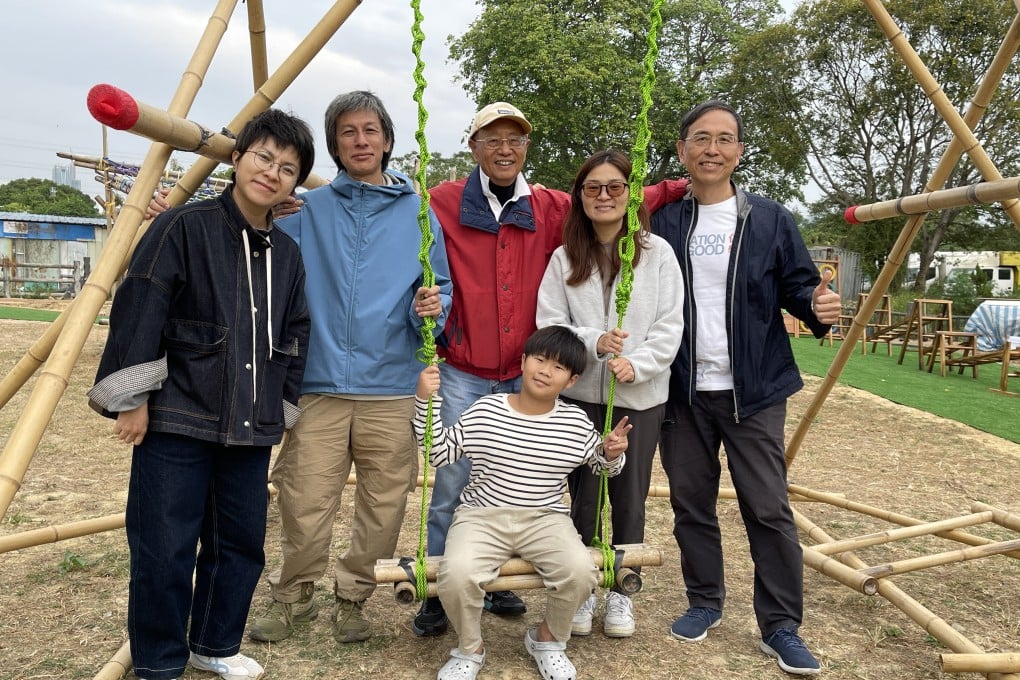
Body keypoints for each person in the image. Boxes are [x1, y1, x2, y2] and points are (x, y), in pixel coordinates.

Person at [414, 102, 688, 637]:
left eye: (514, 139)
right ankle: (441, 587)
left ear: (526, 149)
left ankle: (514, 580)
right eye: (491, 138)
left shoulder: (550, 206)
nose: (503, 148)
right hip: (468, 366)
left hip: (528, 373)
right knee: (453, 479)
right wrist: (302, 207)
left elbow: (614, 194)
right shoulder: (444, 200)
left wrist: (681, 185)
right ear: (473, 146)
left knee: (533, 475)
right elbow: (397, 202)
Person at [88, 108, 316, 680]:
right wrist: (134, 397)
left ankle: (214, 644)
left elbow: (296, 333)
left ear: (294, 183)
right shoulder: (183, 226)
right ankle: (159, 663)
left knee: (238, 543)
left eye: (288, 168)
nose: (273, 172)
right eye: (263, 157)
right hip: (178, 414)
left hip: (251, 422)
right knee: (164, 547)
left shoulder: (286, 254)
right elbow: (142, 304)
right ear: (237, 159)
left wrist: (281, 407)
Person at [243, 91, 453, 645]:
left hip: (391, 383)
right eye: (347, 132)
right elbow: (254, 246)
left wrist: (432, 305)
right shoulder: (306, 209)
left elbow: (439, 286)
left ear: (387, 138)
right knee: (304, 496)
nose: (360, 141)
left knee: (385, 500)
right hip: (318, 382)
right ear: (335, 145)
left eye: (370, 130)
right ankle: (293, 595)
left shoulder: (419, 211)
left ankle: (353, 595)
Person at [651, 100, 840, 676]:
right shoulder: (663, 221)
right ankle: (704, 601)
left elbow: (799, 286)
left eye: (725, 139)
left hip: (753, 390)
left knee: (768, 507)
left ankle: (781, 624)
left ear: (738, 151)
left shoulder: (769, 219)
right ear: (681, 150)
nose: (713, 149)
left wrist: (817, 305)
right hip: (682, 389)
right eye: (700, 138)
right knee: (691, 504)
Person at [412, 325, 632, 680]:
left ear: (571, 381)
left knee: (580, 572)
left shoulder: (575, 422)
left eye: (558, 368)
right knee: (457, 574)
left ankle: (546, 640)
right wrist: (426, 401)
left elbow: (603, 466)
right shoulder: (487, 409)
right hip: (481, 516)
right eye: (539, 359)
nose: (545, 371)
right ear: (524, 361)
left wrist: (611, 451)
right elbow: (438, 452)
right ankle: (470, 648)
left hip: (546, 519)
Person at [535, 150, 684, 638]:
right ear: (580, 197)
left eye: (614, 186)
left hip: (638, 396)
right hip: (580, 395)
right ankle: (583, 587)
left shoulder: (657, 253)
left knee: (629, 496)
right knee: (580, 496)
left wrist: (635, 363)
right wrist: (591, 342)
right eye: (593, 188)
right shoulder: (564, 257)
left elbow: (669, 325)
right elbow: (549, 322)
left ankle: (623, 588)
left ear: (630, 194)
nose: (604, 196)